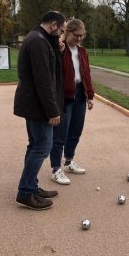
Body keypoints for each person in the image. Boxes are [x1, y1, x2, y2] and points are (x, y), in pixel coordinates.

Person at [14, 10, 66, 210]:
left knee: (35, 145)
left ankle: (31, 187)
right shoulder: (37, 42)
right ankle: (25, 192)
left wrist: (57, 46)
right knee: (42, 147)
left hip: (34, 105)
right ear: (53, 24)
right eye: (60, 30)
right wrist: (53, 111)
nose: (61, 34)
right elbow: (44, 80)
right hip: (38, 106)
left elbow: (52, 70)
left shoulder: (40, 39)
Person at [50, 18, 95, 185]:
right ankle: (55, 168)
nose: (79, 39)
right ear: (68, 32)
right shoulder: (60, 50)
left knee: (76, 131)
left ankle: (68, 161)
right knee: (60, 134)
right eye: (77, 35)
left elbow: (86, 73)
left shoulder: (82, 52)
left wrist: (90, 95)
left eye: (82, 36)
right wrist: (58, 48)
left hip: (80, 95)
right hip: (64, 96)